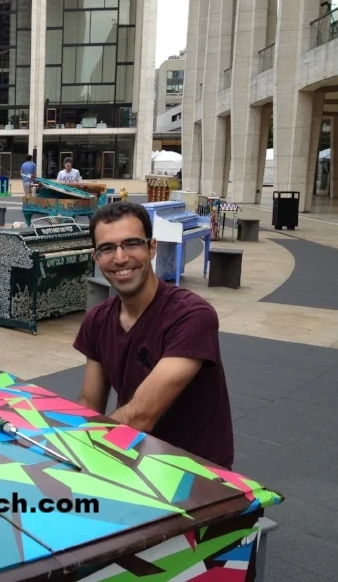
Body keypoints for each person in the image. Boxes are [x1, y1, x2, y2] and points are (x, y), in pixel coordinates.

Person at [73, 201, 234, 469]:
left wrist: (84, 451)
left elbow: (141, 415)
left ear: (152, 247)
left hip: (195, 474)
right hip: (133, 456)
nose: (120, 257)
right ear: (95, 257)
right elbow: (90, 404)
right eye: (107, 248)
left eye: (132, 244)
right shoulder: (98, 319)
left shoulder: (191, 315)